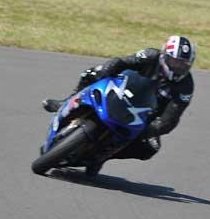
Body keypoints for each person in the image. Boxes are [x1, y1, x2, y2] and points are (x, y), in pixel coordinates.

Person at [42, 35, 196, 175]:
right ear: (164, 55)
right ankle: (67, 102)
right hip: (122, 92)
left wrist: (153, 128)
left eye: (182, 64)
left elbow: (172, 117)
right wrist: (107, 70)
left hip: (145, 116)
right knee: (93, 72)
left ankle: (103, 157)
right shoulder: (150, 55)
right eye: (174, 61)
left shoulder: (186, 86)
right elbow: (122, 62)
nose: (177, 67)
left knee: (150, 148)